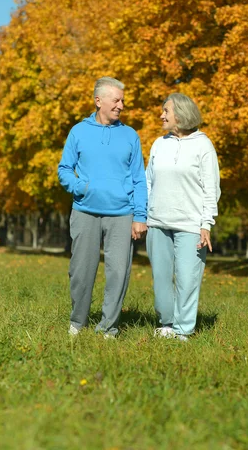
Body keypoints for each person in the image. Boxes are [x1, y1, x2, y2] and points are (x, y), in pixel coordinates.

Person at [58, 77, 147, 338]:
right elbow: (64, 169)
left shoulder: (131, 136)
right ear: (99, 101)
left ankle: (109, 327)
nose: (121, 105)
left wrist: (140, 215)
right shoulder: (78, 131)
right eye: (116, 100)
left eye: (122, 100)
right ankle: (78, 321)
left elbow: (139, 179)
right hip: (85, 210)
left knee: (119, 272)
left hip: (122, 213)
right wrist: (81, 188)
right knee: (81, 270)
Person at [146, 93, 221, 342]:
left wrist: (206, 223)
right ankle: (166, 324)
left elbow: (212, 188)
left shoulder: (203, 145)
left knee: (188, 279)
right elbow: (148, 182)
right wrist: (144, 214)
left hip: (190, 225)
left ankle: (183, 329)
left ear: (180, 113)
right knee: (161, 280)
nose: (162, 115)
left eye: (166, 111)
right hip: (157, 222)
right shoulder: (159, 144)